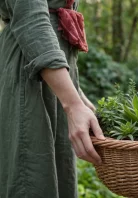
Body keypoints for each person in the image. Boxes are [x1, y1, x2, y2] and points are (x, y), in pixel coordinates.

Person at [0, 0, 105, 197]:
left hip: (54, 80)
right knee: (32, 177)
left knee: (57, 174)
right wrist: (72, 104)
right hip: (29, 75)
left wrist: (76, 93)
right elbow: (32, 21)